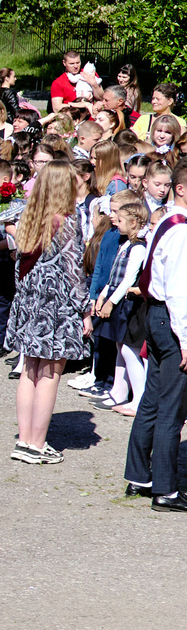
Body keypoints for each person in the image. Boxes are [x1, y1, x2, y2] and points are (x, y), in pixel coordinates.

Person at [6, 160, 91, 464]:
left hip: (30, 298)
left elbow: (18, 264)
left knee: (29, 369)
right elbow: (74, 270)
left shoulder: (29, 216)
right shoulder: (66, 220)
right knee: (51, 372)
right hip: (56, 302)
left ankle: (24, 440)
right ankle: (37, 444)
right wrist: (85, 310)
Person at [125, 175, 187, 505]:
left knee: (151, 400)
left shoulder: (166, 221)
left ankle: (139, 476)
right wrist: (185, 339)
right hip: (170, 319)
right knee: (171, 407)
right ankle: (166, 489)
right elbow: (179, 290)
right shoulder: (181, 229)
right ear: (181, 188)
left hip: (157, 315)